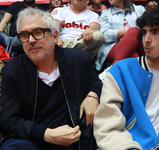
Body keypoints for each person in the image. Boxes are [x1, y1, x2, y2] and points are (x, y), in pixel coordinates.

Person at [94, 8, 159, 150]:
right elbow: (106, 126)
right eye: (144, 33)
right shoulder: (120, 71)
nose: (146, 39)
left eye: (155, 32)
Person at [0, 7, 102, 150]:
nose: (30, 40)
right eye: (24, 35)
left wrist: (93, 95)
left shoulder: (77, 60)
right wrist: (46, 134)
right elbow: (9, 121)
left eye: (37, 32)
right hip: (32, 141)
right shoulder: (12, 71)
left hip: (74, 140)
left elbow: (95, 81)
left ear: (55, 36)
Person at [94, 0, 145, 74]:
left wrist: (131, 33)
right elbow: (104, 35)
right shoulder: (106, 13)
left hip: (139, 45)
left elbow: (147, 29)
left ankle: (111, 72)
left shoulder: (140, 9)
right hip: (112, 45)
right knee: (134, 57)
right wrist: (126, 33)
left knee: (134, 31)